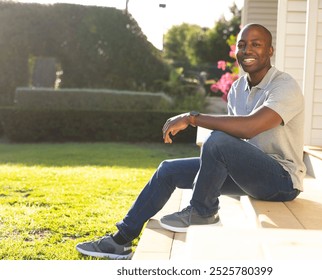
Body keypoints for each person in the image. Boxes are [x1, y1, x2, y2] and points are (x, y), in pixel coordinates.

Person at [76, 23, 306, 259]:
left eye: (256, 44)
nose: (247, 50)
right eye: (242, 44)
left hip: (281, 180)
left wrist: (192, 118)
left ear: (270, 51)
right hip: (248, 173)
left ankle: (203, 212)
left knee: (217, 141)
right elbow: (236, 136)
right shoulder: (238, 88)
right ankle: (120, 240)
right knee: (168, 170)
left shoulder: (285, 86)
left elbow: (250, 126)